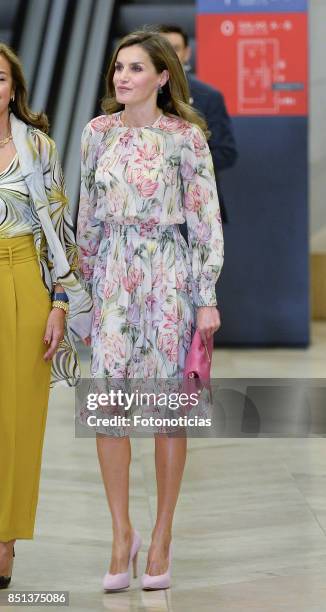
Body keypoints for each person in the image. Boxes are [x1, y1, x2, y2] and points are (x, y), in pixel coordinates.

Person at [77, 30, 223, 591]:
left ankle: (162, 534)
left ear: (163, 77)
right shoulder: (97, 134)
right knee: (108, 408)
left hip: (170, 278)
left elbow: (205, 219)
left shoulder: (186, 138)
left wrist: (206, 295)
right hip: (113, 274)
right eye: (118, 67)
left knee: (168, 412)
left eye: (136, 68)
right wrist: (81, 292)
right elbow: (88, 215)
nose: (122, 77)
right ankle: (122, 534)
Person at [0, 43, 92, 589]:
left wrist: (60, 303)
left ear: (14, 87)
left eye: (0, 77)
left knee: (18, 419)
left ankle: (5, 539)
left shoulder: (37, 146)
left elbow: (58, 232)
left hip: (22, 282)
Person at [157, 24, 238, 223]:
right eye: (162, 48)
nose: (169, 55)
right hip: (149, 208)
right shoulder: (139, 95)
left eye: (175, 48)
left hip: (199, 207)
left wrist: (183, 163)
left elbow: (226, 152)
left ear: (187, 53)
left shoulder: (209, 97)